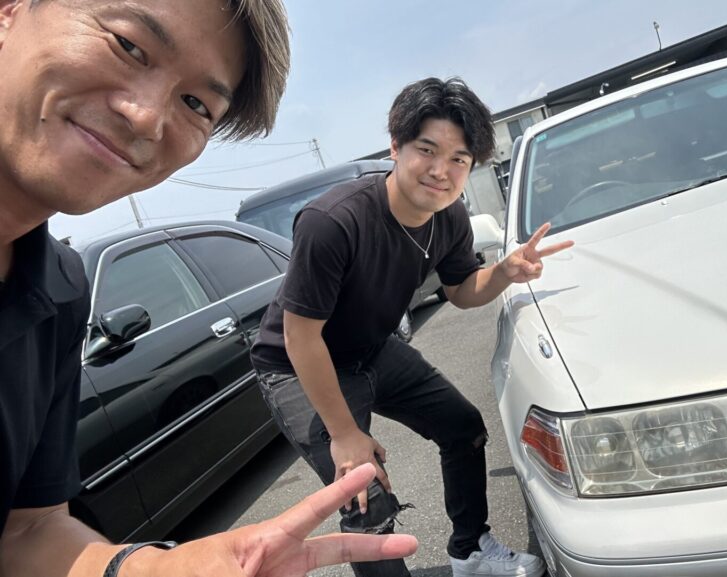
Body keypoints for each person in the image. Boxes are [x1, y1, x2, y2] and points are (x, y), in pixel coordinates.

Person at [0, 0, 417, 575]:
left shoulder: (61, 292)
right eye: (128, 45)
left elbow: (27, 529)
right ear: (10, 11)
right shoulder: (330, 224)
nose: (146, 118)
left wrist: (155, 568)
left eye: (196, 104)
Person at [249, 77, 573, 577]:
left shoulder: (450, 217)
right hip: (299, 363)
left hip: (372, 348)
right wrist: (345, 434)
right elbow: (300, 336)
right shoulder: (332, 222)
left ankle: (469, 550)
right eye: (427, 150)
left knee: (463, 428)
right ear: (396, 146)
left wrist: (504, 272)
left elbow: (462, 291)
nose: (441, 171)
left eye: (459, 158)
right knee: (362, 489)